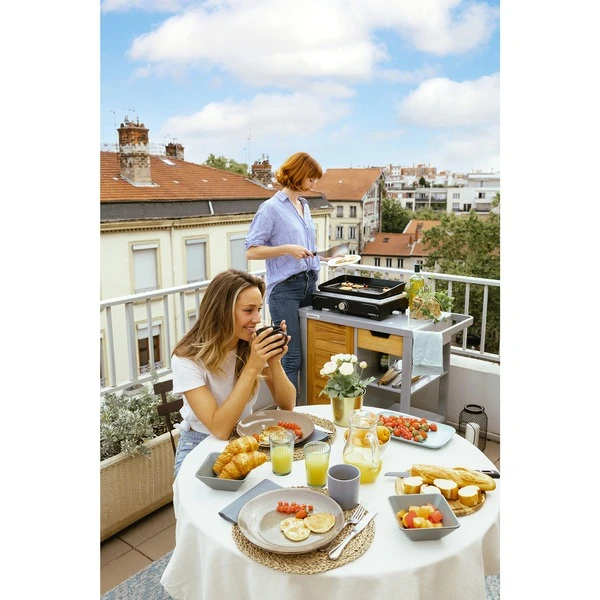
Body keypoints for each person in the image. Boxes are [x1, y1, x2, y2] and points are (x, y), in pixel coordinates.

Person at [170, 269, 296, 478]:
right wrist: (253, 367)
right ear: (222, 312)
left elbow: (287, 405)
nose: (257, 319)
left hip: (246, 438)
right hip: (199, 442)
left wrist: (274, 362)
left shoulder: (250, 344)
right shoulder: (186, 359)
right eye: (248, 310)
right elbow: (220, 429)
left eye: (259, 309)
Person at [245, 151, 324, 399]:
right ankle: (289, 415)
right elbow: (251, 251)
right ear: (298, 175)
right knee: (291, 357)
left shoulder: (304, 205)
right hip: (285, 290)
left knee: (312, 353)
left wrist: (320, 257)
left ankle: (306, 409)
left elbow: (305, 248)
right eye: (311, 178)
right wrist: (287, 249)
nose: (314, 183)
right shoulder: (270, 208)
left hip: (310, 283)